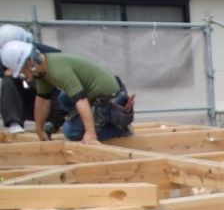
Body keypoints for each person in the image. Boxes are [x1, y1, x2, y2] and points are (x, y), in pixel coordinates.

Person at [0, 40, 134, 145]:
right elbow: (42, 101)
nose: (27, 77)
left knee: (71, 132)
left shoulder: (57, 71)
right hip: (99, 97)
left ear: (30, 64)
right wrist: (39, 130)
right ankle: (91, 122)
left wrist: (90, 133)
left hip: (113, 103)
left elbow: (80, 99)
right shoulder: (43, 70)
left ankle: (118, 131)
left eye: (24, 72)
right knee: (63, 98)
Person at [0, 24, 64, 135]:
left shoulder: (43, 52)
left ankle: (53, 123)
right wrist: (19, 73)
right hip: (25, 103)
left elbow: (58, 62)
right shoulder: (3, 55)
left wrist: (35, 73)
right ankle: (14, 122)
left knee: (41, 80)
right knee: (8, 80)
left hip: (47, 103)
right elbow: (6, 73)